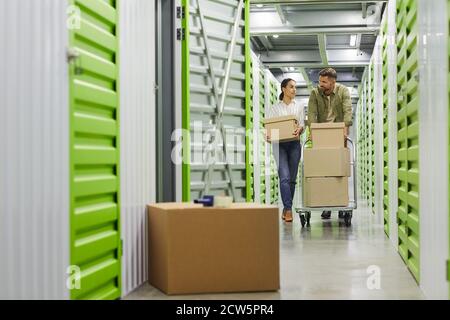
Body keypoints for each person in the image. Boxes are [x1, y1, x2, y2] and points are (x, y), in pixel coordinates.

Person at [307, 68, 353, 220]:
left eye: (324, 82)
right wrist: (312, 134)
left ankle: (339, 203)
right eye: (320, 81)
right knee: (323, 171)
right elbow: (312, 114)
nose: (321, 84)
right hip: (321, 133)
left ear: (333, 82)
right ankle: (326, 205)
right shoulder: (315, 93)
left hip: (338, 131)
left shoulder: (343, 91)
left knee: (339, 171)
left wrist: (345, 131)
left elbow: (347, 110)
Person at [265, 78, 305, 223]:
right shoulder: (274, 109)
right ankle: (288, 209)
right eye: (291, 87)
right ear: (283, 89)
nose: (294, 90)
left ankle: (286, 208)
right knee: (285, 177)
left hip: (294, 144)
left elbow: (301, 125)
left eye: (295, 87)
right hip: (279, 144)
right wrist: (268, 136)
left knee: (292, 180)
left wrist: (300, 129)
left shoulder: (299, 107)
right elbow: (268, 129)